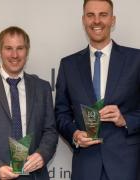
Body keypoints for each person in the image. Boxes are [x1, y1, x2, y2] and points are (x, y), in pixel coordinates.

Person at [55, 0, 140, 180]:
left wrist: (125, 119)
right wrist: (75, 134)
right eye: (90, 15)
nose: (96, 21)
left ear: (113, 20)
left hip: (126, 166)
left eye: (103, 15)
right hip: (85, 166)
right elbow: (61, 114)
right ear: (83, 20)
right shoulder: (68, 65)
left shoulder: (136, 60)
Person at [0, 26, 58, 180]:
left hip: (34, 175)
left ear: (27, 51)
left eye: (20, 48)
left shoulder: (42, 87)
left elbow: (51, 131)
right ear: (0, 51)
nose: (14, 55)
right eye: (9, 48)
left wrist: (42, 154)